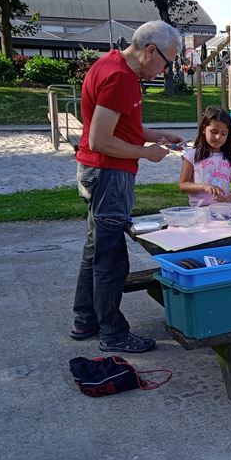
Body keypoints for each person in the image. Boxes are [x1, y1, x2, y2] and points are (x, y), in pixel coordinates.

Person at [71, 20, 184, 354]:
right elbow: (100, 139)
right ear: (150, 51)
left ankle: (85, 319)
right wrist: (145, 153)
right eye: (167, 62)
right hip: (108, 175)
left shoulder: (113, 66)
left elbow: (119, 126)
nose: (167, 69)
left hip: (98, 171)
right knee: (111, 258)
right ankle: (113, 333)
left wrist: (155, 137)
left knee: (95, 250)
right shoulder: (120, 77)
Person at [178, 106, 231, 206]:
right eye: (214, 132)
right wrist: (204, 186)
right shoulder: (192, 155)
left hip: (224, 211)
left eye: (223, 134)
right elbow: (183, 185)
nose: (218, 137)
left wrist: (230, 198)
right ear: (204, 129)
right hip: (199, 212)